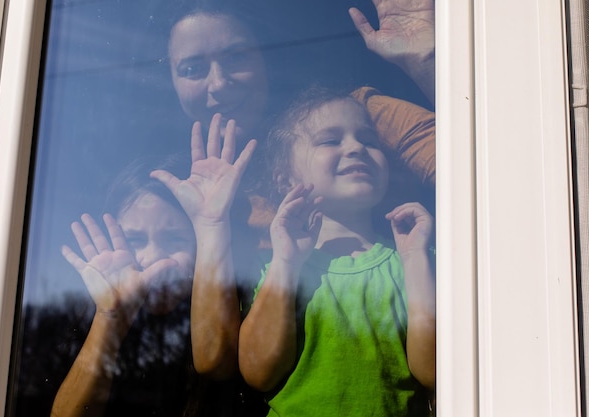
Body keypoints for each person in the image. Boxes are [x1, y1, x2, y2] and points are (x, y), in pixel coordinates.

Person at [161, 0, 437, 381]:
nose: (219, 83)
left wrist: (427, 61)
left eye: (236, 57)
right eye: (192, 69)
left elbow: (482, 166)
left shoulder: (349, 116)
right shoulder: (180, 189)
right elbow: (215, 358)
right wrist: (212, 225)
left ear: (266, 59)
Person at [236, 88, 436, 416]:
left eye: (369, 140)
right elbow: (259, 372)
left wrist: (415, 261)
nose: (356, 148)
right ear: (286, 179)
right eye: (330, 140)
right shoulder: (272, 267)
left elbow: (432, 371)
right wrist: (285, 262)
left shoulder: (418, 259)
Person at [50, 156, 260, 417]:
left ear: (200, 245)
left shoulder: (232, 309)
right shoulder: (80, 321)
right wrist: (110, 316)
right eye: (135, 240)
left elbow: (217, 363)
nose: (154, 259)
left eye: (174, 239)